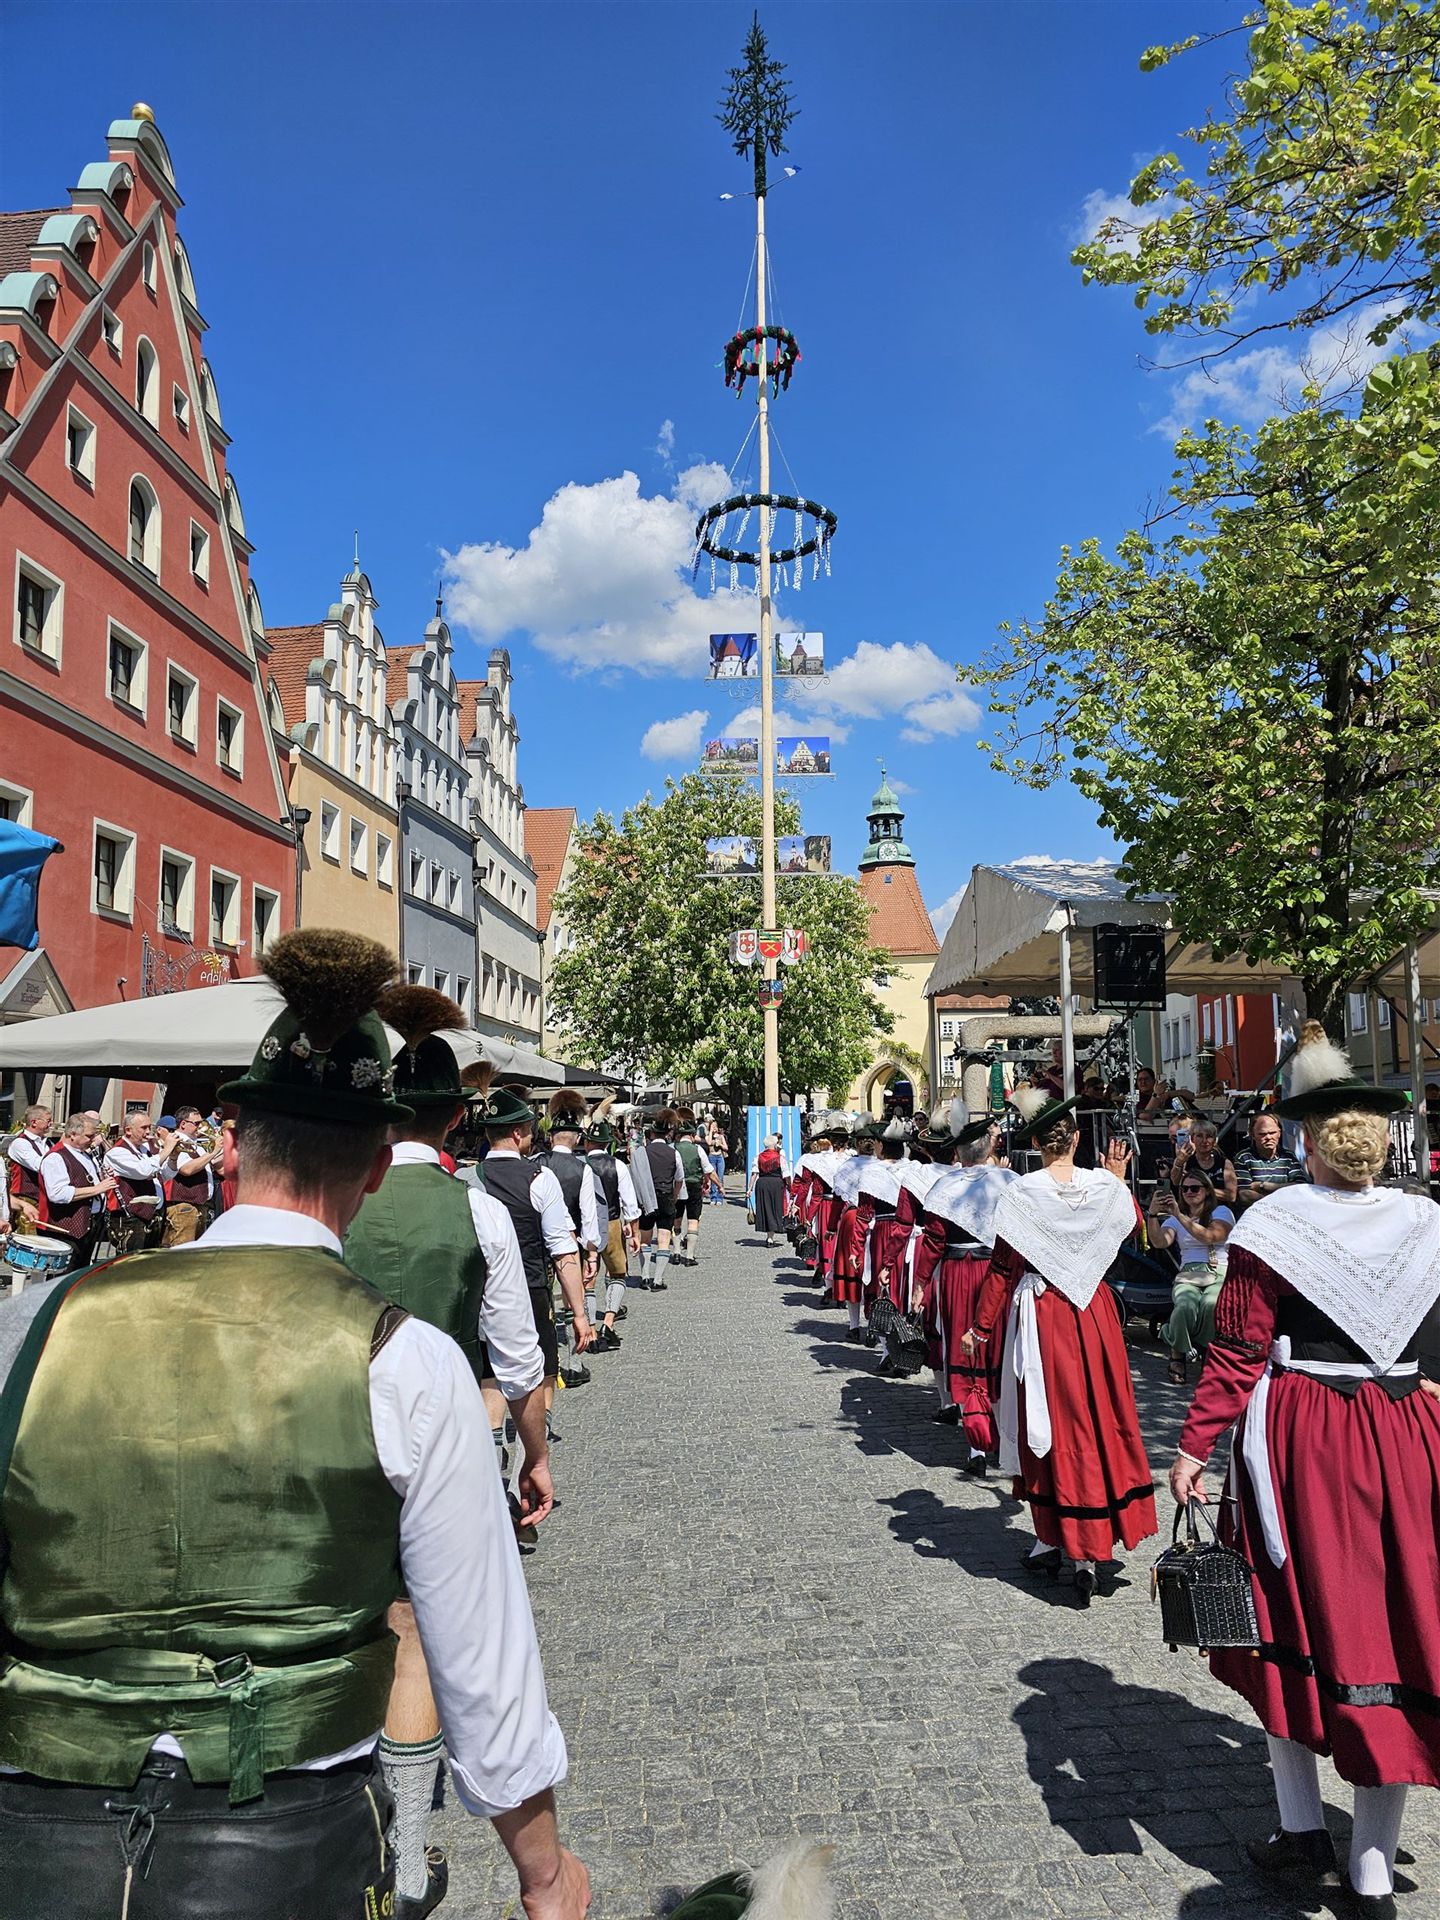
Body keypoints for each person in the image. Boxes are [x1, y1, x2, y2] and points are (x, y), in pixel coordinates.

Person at [0, 928, 589, 1920]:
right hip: (285, 1842)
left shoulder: (47, 1322)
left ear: (232, 1142)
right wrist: (545, 1874)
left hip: (32, 1832)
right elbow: (482, 1665)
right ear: (375, 1169)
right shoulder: (406, 1359)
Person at [1171, 1022, 1440, 1916]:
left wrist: (1192, 1447)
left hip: (1304, 1443)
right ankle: (1372, 1869)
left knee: (1283, 1621)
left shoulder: (1275, 1224)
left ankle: (1302, 1830)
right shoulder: (1428, 1221)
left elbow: (1237, 1352)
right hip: (1410, 1436)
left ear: (1311, 1143)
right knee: (1390, 1634)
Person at [343, 986, 552, 1914]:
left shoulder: (337, 1200)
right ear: (458, 1118)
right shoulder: (478, 1213)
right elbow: (519, 1361)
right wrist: (537, 1456)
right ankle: (407, 1852)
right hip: (443, 1438)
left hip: (326, 1426)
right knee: (414, 1637)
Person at [963, 1089, 1157, 1605]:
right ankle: (1074, 1543)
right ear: (1076, 1138)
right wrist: (1117, 1181)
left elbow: (1003, 1267)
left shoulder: (1023, 1193)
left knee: (1049, 1423)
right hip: (1095, 1315)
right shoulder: (1105, 1187)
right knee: (1097, 1418)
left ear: (1035, 1144)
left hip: (1044, 1315)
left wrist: (980, 1328)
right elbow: (1133, 1229)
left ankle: (1059, 1540)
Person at [472, 1085, 594, 1415]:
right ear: (516, 1133)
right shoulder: (540, 1178)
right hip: (531, 1289)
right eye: (528, 1128)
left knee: (490, 1378)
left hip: (481, 1294)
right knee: (542, 1372)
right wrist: (579, 1314)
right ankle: (536, 1441)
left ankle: (495, 1440)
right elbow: (563, 1253)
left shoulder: (466, 1178)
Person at [913, 1119, 1019, 1469]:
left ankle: (976, 1447)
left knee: (964, 1350)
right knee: (997, 1351)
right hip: (998, 1274)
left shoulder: (945, 1186)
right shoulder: (1010, 1182)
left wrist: (920, 1283)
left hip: (957, 1273)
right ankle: (1005, 1441)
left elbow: (933, 1241)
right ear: (989, 1149)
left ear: (958, 1153)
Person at [1146, 1167, 1234, 1384]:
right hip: (1189, 1273)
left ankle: (1206, 1349)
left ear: (1207, 1190)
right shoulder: (1176, 1219)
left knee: (1211, 1304)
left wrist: (1179, 1215)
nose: (1189, 1192)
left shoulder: (1221, 1212)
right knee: (1185, 1305)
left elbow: (1210, 1236)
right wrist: (1152, 1215)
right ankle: (1177, 1353)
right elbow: (1159, 1242)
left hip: (1219, 1269)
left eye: (1194, 1188)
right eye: (1184, 1189)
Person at [583, 1111, 640, 1350]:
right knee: (617, 1273)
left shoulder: (581, 1165)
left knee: (588, 1279)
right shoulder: (618, 1165)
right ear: (608, 1143)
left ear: (587, 1142)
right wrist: (635, 1233)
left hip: (586, 1225)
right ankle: (608, 1322)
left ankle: (590, 1330)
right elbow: (630, 1204)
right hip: (613, 1222)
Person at [37, 1112, 117, 1267]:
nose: (93, 1140)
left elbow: (86, 1180)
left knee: (81, 1272)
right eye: (89, 1136)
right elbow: (57, 1194)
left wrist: (102, 1176)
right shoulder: (56, 1157)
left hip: (89, 1223)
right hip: (68, 1228)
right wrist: (97, 1189)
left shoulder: (84, 1154)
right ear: (73, 1134)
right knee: (65, 1274)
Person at [103, 1110, 183, 1255]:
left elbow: (165, 1175)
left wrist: (173, 1157)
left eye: (149, 1127)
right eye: (143, 1128)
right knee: (131, 1262)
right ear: (128, 1130)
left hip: (152, 1215)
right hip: (131, 1217)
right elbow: (143, 1171)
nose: (148, 1132)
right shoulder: (117, 1152)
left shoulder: (144, 1150)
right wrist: (166, 1149)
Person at [162, 1105, 223, 1244]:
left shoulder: (195, 1143)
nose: (200, 1127)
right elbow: (186, 1169)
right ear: (183, 1124)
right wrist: (213, 1152)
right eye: (196, 1123)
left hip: (199, 1204)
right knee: (182, 1249)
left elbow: (209, 1163)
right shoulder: (177, 1141)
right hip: (184, 1206)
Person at [1233, 1110, 1308, 1211]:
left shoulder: (1288, 1157)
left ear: (1279, 1133)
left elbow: (1300, 1186)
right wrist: (1278, 1200)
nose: (1268, 1137)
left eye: (1272, 1133)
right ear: (1252, 1135)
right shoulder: (1244, 1158)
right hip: (1256, 1213)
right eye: (1262, 1134)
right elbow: (1244, 1195)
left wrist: (1264, 1186)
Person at [675, 1113, 721, 1265]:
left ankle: (676, 1253)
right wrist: (719, 1185)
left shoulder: (672, 1148)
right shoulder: (698, 1149)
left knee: (676, 1219)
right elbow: (709, 1170)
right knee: (693, 1220)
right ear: (691, 1135)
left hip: (676, 1187)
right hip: (694, 1186)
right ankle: (689, 1256)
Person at [4, 1104, 52, 1234]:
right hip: (26, 1198)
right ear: (34, 1122)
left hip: (44, 1198)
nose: (51, 1123)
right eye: (48, 1120)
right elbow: (40, 1166)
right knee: (29, 1238)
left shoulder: (48, 1143)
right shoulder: (20, 1143)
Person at [749, 1133, 787, 1248]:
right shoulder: (780, 1157)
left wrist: (750, 1188)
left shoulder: (758, 1157)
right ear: (775, 1145)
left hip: (762, 1183)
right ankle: (771, 1236)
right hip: (776, 1183)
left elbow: (754, 1173)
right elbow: (786, 1173)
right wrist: (790, 1186)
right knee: (775, 1208)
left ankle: (769, 1236)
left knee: (766, 1208)